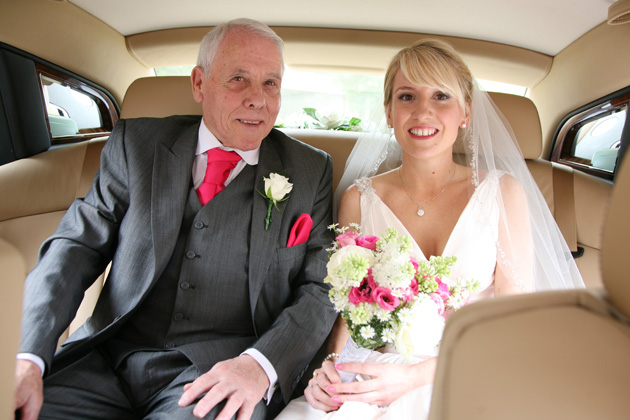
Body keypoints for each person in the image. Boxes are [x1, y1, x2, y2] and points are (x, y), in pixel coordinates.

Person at [14, 18, 337, 420]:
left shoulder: (310, 170)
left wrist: (260, 365)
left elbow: (321, 287)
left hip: (219, 372)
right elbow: (75, 247)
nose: (259, 99)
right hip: (107, 358)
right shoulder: (137, 145)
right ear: (199, 84)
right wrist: (28, 354)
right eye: (239, 78)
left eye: (271, 83)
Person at [275, 39, 584, 420]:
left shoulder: (503, 192)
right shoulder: (360, 197)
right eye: (407, 96)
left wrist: (413, 377)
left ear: (465, 112)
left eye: (441, 96)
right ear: (388, 112)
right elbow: (347, 307)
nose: (423, 112)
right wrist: (332, 366)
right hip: (372, 371)